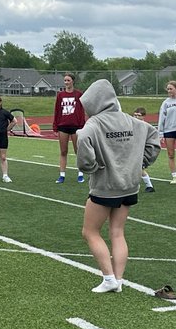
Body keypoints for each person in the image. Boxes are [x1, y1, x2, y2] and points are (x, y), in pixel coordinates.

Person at [76, 79, 161, 293]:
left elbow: (82, 139)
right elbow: (153, 138)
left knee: (90, 231)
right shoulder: (132, 121)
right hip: (129, 186)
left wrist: (91, 166)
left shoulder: (94, 124)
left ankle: (108, 277)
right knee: (117, 231)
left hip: (105, 186)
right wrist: (141, 162)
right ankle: (119, 280)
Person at [52, 73, 87, 184]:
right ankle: (62, 175)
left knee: (78, 151)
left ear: (72, 81)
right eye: (65, 80)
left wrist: (82, 125)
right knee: (63, 151)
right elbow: (57, 110)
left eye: (68, 80)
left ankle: (80, 174)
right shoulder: (60, 95)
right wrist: (55, 126)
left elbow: (82, 111)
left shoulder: (79, 94)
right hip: (63, 126)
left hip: (76, 127)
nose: (66, 82)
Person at [131, 107, 156, 192]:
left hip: (140, 150)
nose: (136, 117)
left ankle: (149, 186)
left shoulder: (146, 127)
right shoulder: (130, 125)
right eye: (134, 115)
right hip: (131, 149)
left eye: (138, 115)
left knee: (140, 168)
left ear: (143, 116)